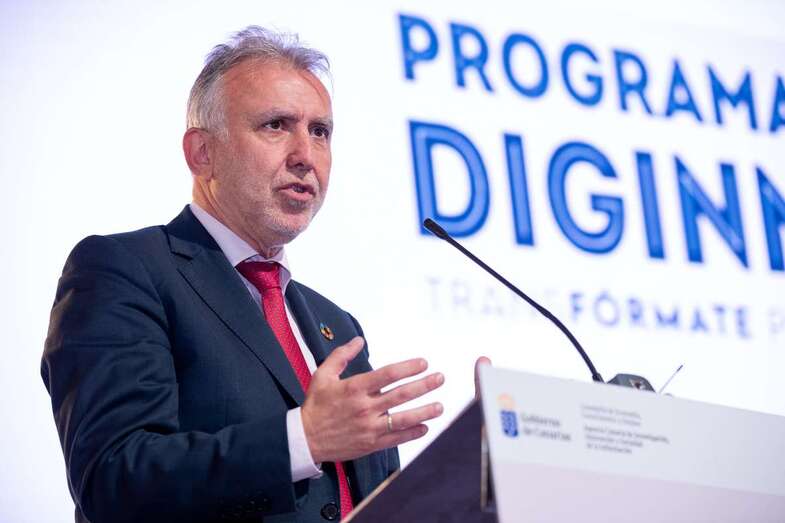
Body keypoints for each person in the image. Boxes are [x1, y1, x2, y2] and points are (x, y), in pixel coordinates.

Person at [41, 26, 445, 523]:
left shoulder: (337, 325)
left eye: (320, 132)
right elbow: (114, 481)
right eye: (276, 125)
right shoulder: (124, 270)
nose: (305, 156)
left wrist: (470, 475)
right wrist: (303, 439)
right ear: (202, 153)